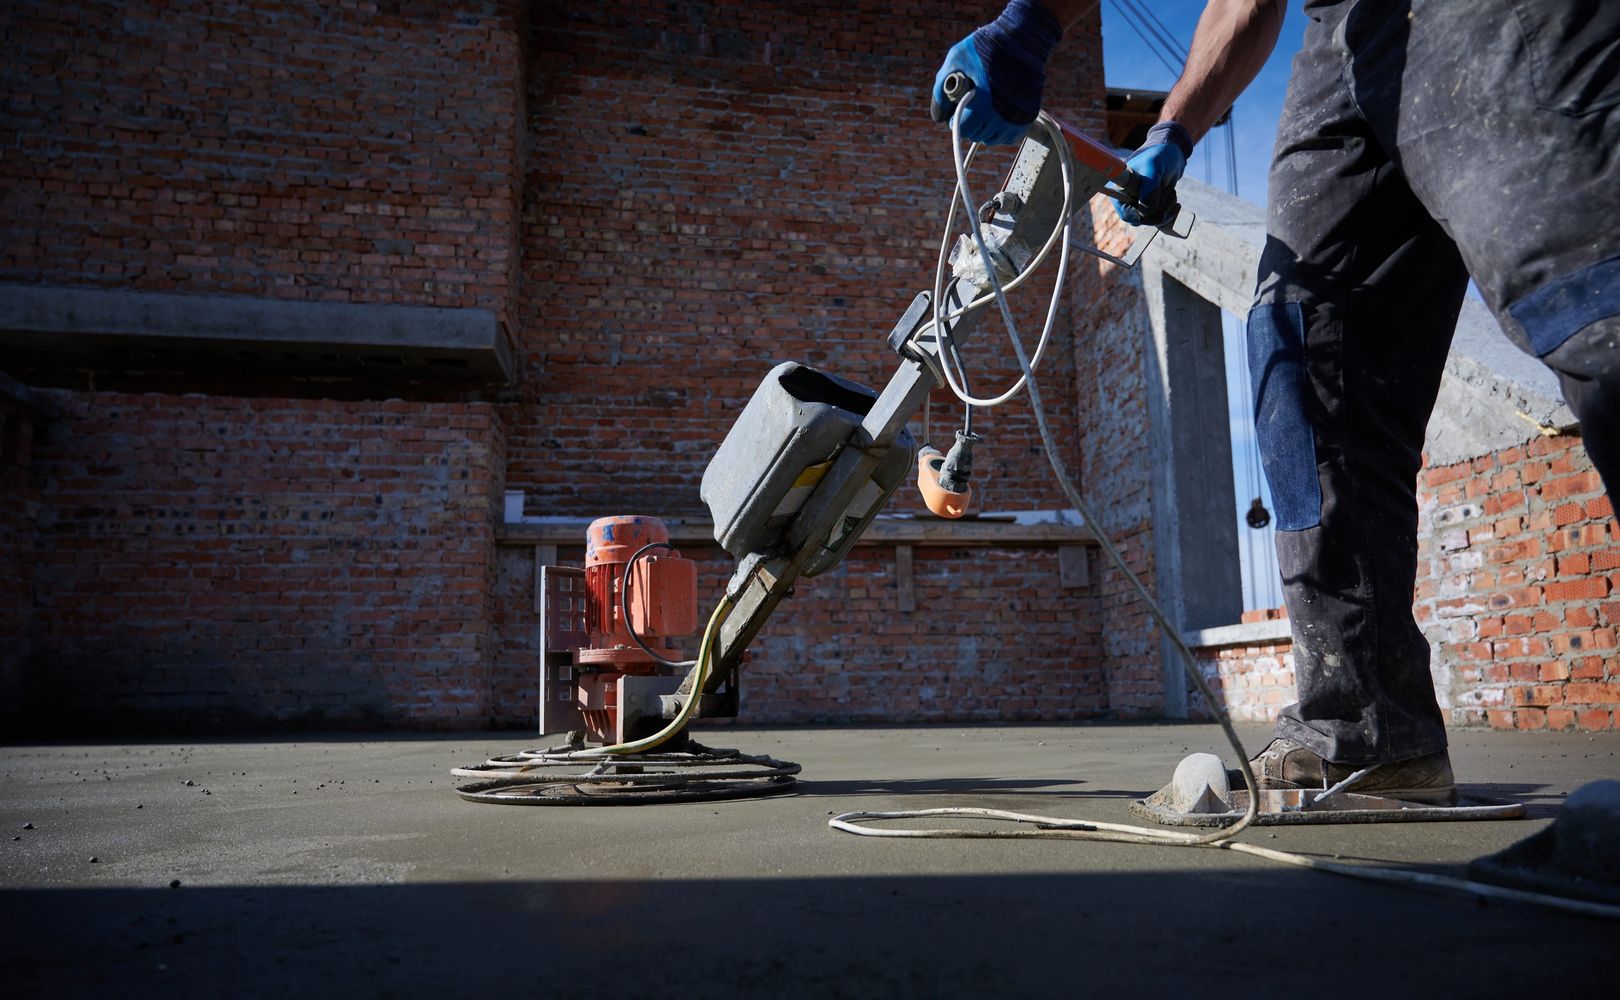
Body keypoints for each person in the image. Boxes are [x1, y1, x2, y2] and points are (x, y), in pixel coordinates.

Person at [934, 0, 1620, 803]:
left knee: (1589, 295)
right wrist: (1172, 132)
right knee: (1301, 353)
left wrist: (1031, 21)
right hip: (1346, 41)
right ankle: (1367, 732)